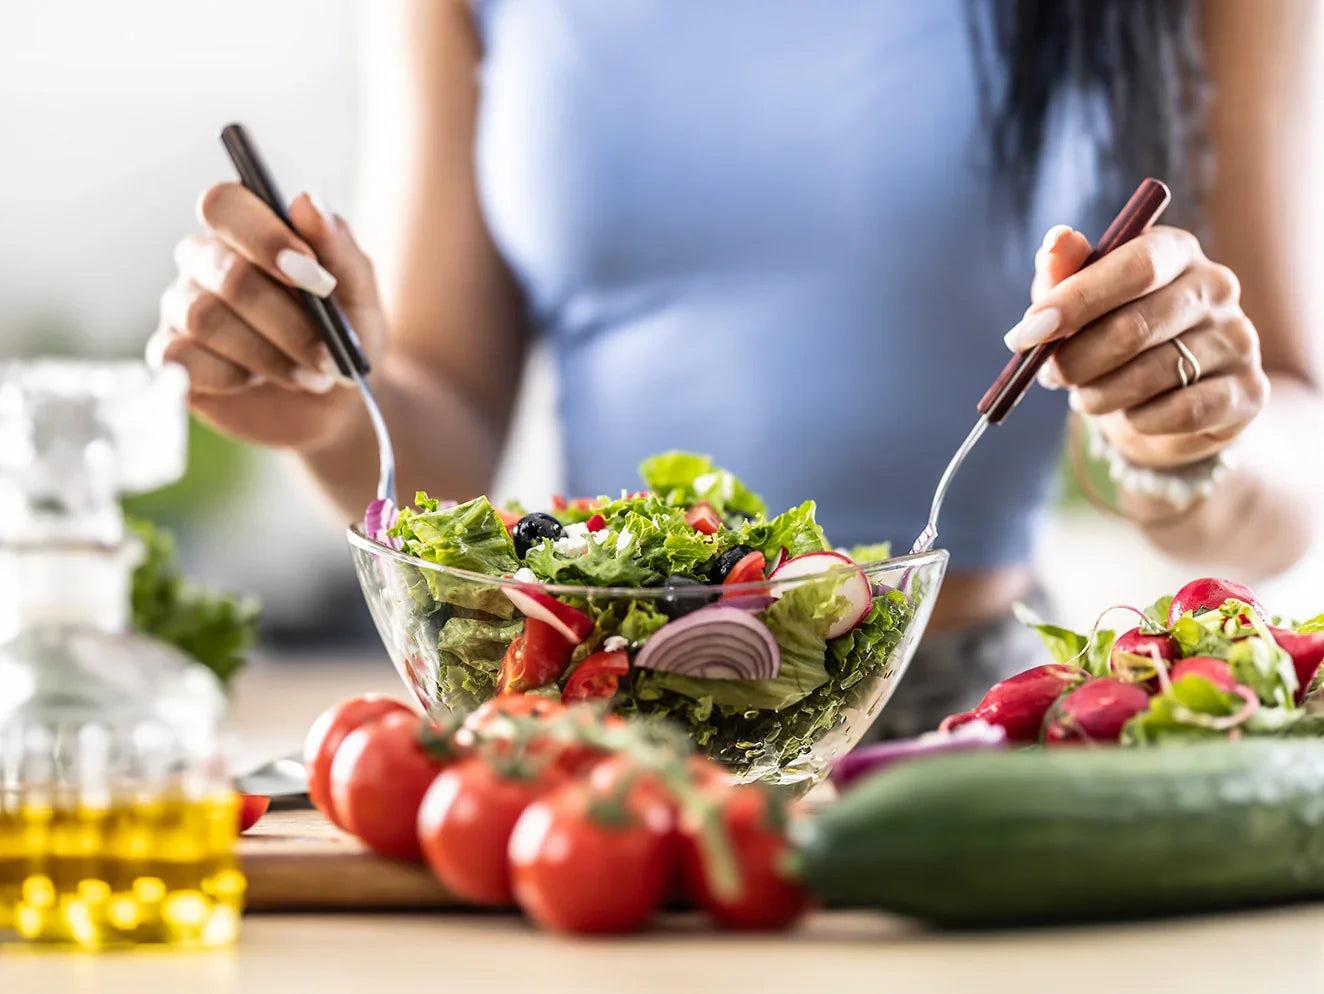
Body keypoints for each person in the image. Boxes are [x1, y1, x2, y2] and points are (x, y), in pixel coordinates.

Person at [149, 0, 1321, 738]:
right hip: (584, 715)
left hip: (963, 722)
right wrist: (315, 397)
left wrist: (1179, 447)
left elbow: (1291, 439)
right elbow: (441, 428)